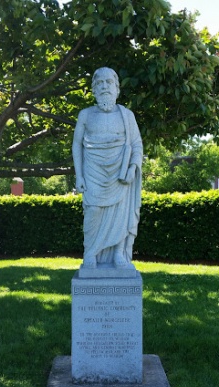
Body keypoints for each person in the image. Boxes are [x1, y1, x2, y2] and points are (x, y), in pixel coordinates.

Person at [72, 67, 143, 268]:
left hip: (119, 174)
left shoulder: (126, 115)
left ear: (117, 89)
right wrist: (79, 176)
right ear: (94, 89)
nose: (104, 87)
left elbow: (137, 144)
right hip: (93, 171)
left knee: (121, 211)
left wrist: (132, 168)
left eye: (109, 82)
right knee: (93, 211)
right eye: (100, 83)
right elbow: (77, 144)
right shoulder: (85, 115)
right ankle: (90, 253)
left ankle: (118, 254)